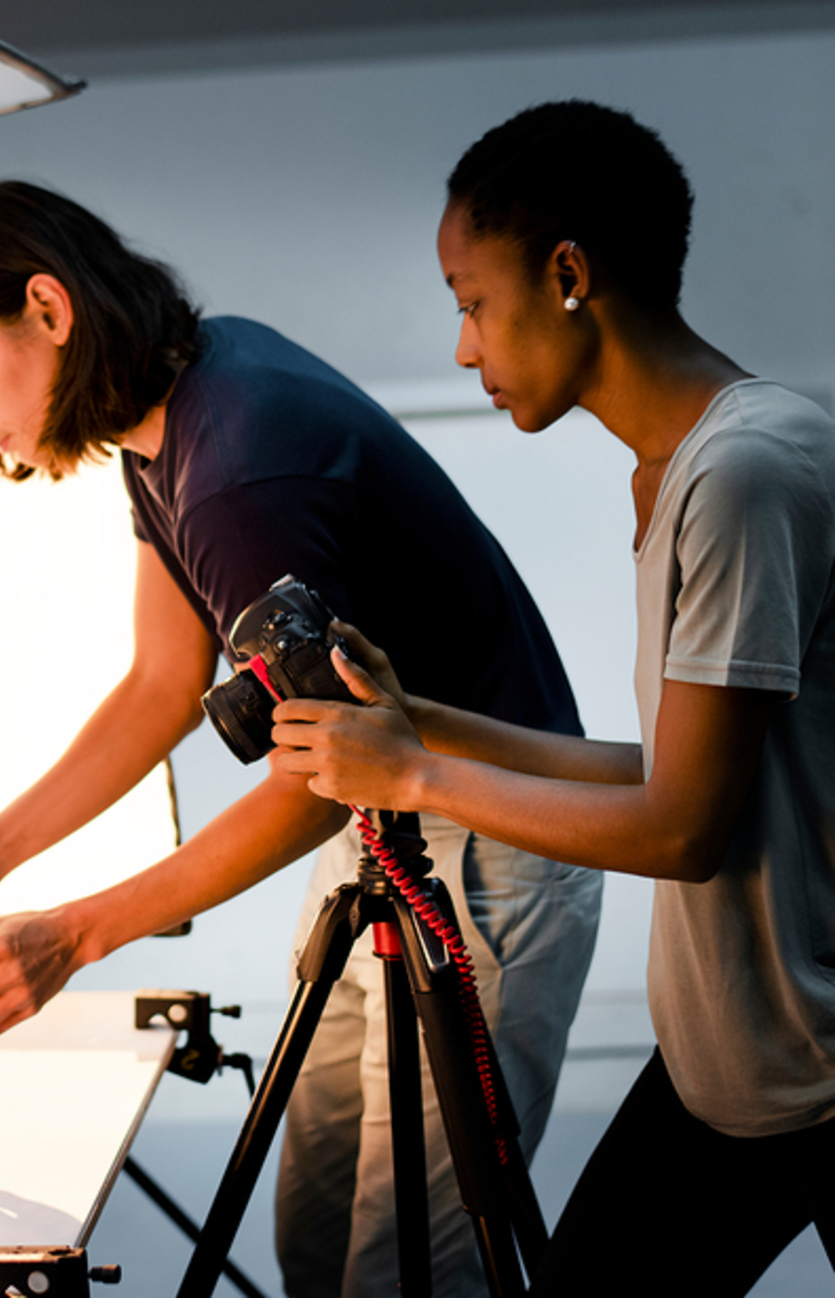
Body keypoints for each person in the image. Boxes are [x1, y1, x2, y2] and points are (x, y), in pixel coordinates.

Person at [0, 179, 603, 1297]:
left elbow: (322, 766)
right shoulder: (178, 406)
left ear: (49, 312)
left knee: (406, 1274)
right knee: (315, 1237)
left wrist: (74, 932)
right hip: (389, 824)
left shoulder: (237, 470)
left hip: (488, 835)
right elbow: (164, 680)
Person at [270, 101, 835, 1295]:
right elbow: (666, 769)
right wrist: (418, 723)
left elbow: (683, 830)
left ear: (568, 273)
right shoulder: (675, 474)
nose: (466, 346)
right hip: (726, 1069)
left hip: (819, 1074)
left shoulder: (744, 473)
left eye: (471, 301)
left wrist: (413, 776)